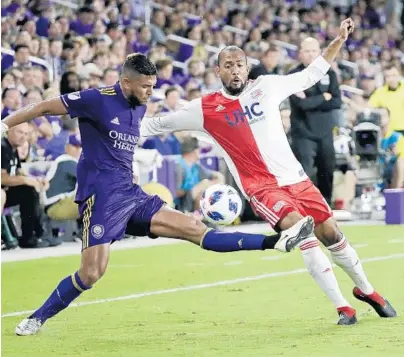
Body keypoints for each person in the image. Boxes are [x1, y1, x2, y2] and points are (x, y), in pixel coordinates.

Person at [1, 53, 314, 336]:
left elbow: (120, 148)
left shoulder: (139, 107)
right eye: (145, 86)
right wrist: (5, 124)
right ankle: (37, 318)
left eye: (153, 86)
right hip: (102, 200)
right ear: (125, 82)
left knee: (195, 230)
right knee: (91, 273)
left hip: (132, 195)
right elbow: (42, 107)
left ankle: (276, 241)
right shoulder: (96, 99)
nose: (150, 92)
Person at [140, 19, 396, 325]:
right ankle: (343, 306)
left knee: (332, 234)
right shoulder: (203, 109)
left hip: (298, 180)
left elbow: (312, 73)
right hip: (261, 188)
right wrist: (111, 124)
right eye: (228, 65)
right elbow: (155, 125)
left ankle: (366, 290)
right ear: (217, 71)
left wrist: (338, 40)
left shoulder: (268, 86)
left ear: (247, 68)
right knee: (303, 234)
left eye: (239, 64)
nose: (235, 70)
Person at [288, 37, 342, 205]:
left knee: (327, 169)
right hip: (303, 132)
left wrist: (314, 100)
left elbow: (337, 101)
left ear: (320, 53)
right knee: (304, 170)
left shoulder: (329, 73)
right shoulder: (293, 76)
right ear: (300, 54)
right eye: (307, 51)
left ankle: (325, 204)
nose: (311, 54)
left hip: (325, 132)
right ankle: (301, 205)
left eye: (314, 51)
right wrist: (323, 97)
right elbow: (301, 104)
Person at [1, 123, 58, 248]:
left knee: (30, 190)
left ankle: (36, 235)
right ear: (9, 131)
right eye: (20, 132)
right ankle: (32, 236)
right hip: (2, 192)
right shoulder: (2, 146)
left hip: (6, 193)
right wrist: (25, 180)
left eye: (26, 134)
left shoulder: (13, 148)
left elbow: (18, 170)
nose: (23, 137)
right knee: (28, 190)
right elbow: (2, 178)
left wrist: (35, 179)